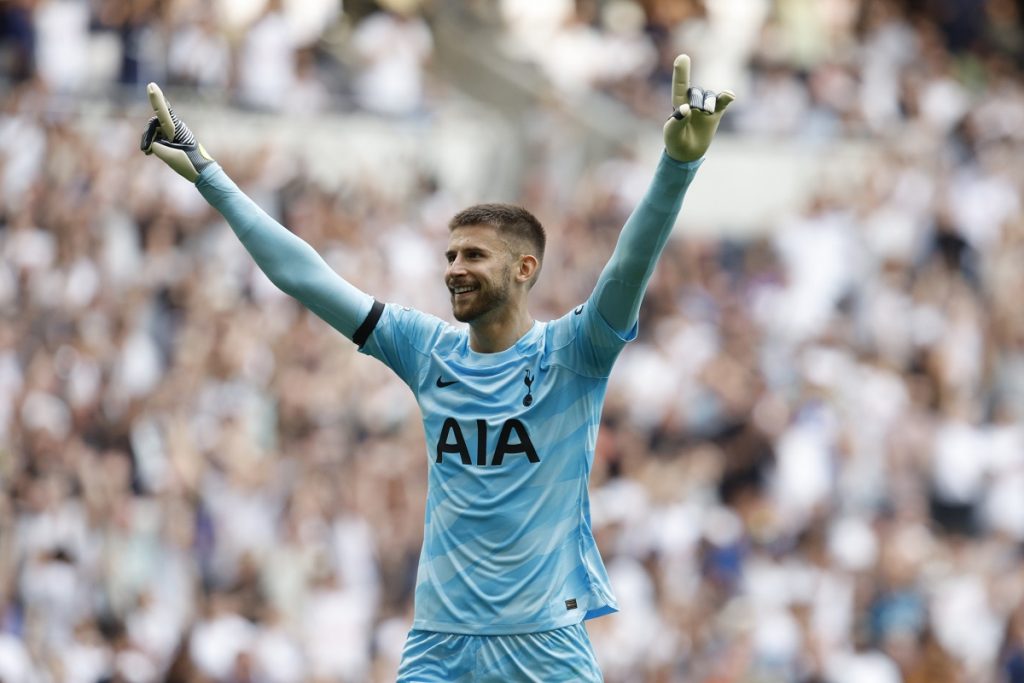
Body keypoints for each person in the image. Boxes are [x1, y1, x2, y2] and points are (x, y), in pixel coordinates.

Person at [140, 54, 733, 682]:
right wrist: (209, 174)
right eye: (450, 254)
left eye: (474, 255)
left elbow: (627, 266)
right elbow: (304, 276)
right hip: (439, 647)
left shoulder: (574, 351)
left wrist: (676, 166)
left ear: (524, 269)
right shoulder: (426, 350)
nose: (453, 268)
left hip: (545, 646)